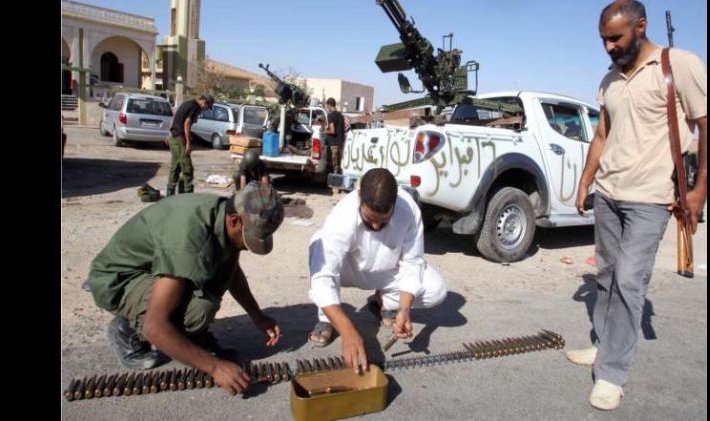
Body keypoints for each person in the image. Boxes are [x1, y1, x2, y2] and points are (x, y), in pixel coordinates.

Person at [568, 0, 707, 411]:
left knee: (630, 281)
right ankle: (604, 344)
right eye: (603, 40)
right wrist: (585, 181)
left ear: (641, 26)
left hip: (651, 199)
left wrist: (700, 192)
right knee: (607, 276)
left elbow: (704, 123)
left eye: (615, 38)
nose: (608, 47)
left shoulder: (677, 64)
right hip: (609, 194)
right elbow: (601, 136)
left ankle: (612, 373)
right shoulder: (609, 79)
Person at [87, 182, 285, 395]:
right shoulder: (189, 240)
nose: (247, 245)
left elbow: (232, 272)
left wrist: (257, 316)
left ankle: (192, 336)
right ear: (234, 220)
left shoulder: (223, 216)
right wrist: (215, 367)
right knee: (200, 310)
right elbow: (155, 326)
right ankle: (126, 329)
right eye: (248, 238)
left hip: (159, 268)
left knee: (218, 274)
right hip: (118, 280)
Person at [307, 168, 448, 373]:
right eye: (369, 218)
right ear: (359, 197)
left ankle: (383, 302)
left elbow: (413, 262)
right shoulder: (343, 215)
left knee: (436, 289)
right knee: (317, 247)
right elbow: (323, 277)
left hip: (387, 271)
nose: (375, 226)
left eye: (383, 221)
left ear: (395, 204)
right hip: (350, 269)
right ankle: (327, 318)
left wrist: (405, 309)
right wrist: (348, 331)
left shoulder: (408, 209)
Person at [167, 95, 214, 196]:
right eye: (207, 106)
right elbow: (187, 123)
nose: (205, 109)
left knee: (176, 166)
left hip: (174, 138)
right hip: (179, 139)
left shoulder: (188, 103)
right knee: (187, 168)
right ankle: (188, 195)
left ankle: (170, 194)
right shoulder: (195, 106)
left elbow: (175, 117)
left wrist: (170, 134)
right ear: (204, 102)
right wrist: (188, 143)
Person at [324, 98, 345, 175]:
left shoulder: (331, 116)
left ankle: (335, 183)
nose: (327, 108)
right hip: (339, 143)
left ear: (329, 105)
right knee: (338, 165)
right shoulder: (341, 116)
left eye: (327, 106)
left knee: (334, 166)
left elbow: (332, 131)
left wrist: (324, 131)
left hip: (333, 144)